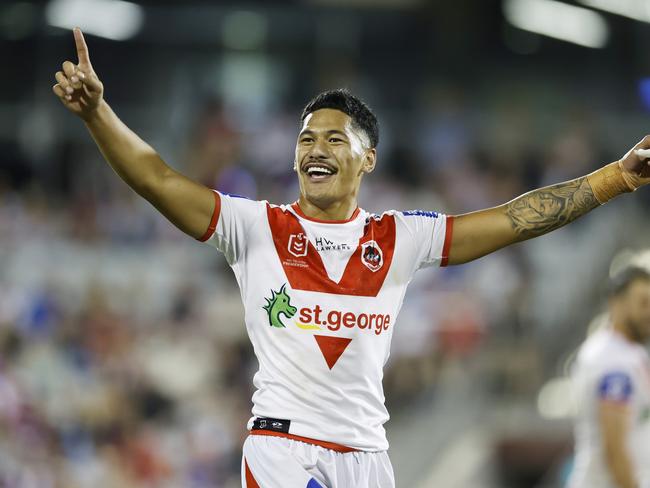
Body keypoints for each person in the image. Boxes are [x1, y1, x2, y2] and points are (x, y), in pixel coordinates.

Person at [52, 28, 650, 488]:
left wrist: (613, 181)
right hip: (284, 448)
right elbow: (157, 179)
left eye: (335, 138)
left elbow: (514, 219)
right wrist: (97, 116)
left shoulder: (400, 238)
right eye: (306, 139)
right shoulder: (253, 228)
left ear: (367, 160)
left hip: (368, 457)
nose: (316, 148)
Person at [568, 267, 650, 488]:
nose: (649, 312)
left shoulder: (630, 351)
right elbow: (614, 450)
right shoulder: (611, 360)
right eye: (643, 303)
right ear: (617, 303)